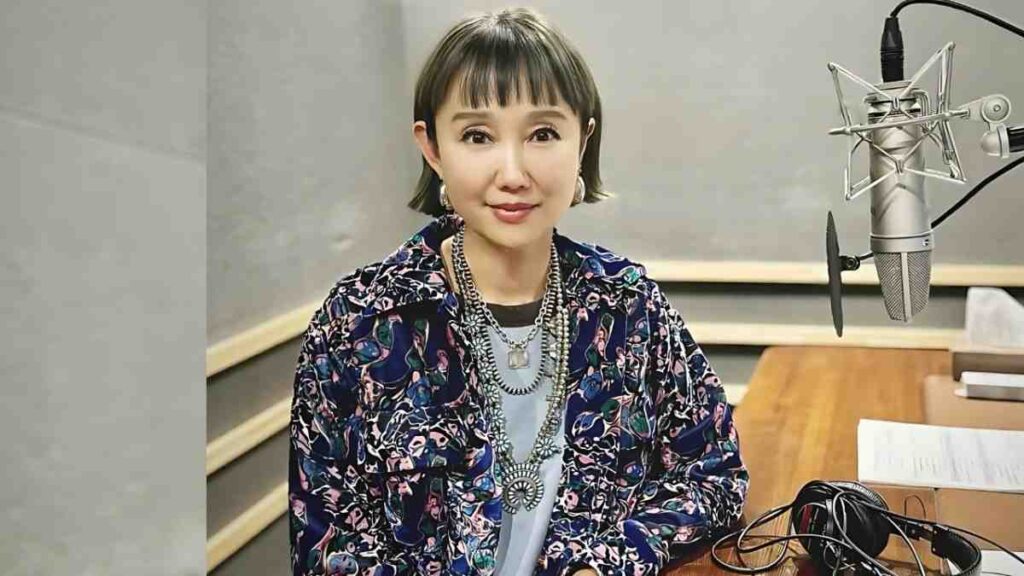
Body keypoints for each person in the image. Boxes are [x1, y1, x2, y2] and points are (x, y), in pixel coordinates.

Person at [288, 7, 748, 575]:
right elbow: (326, 552)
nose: (513, 172)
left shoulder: (629, 307)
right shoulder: (357, 324)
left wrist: (607, 562)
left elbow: (713, 475)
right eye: (477, 135)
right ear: (432, 148)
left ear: (584, 140)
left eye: (543, 134)